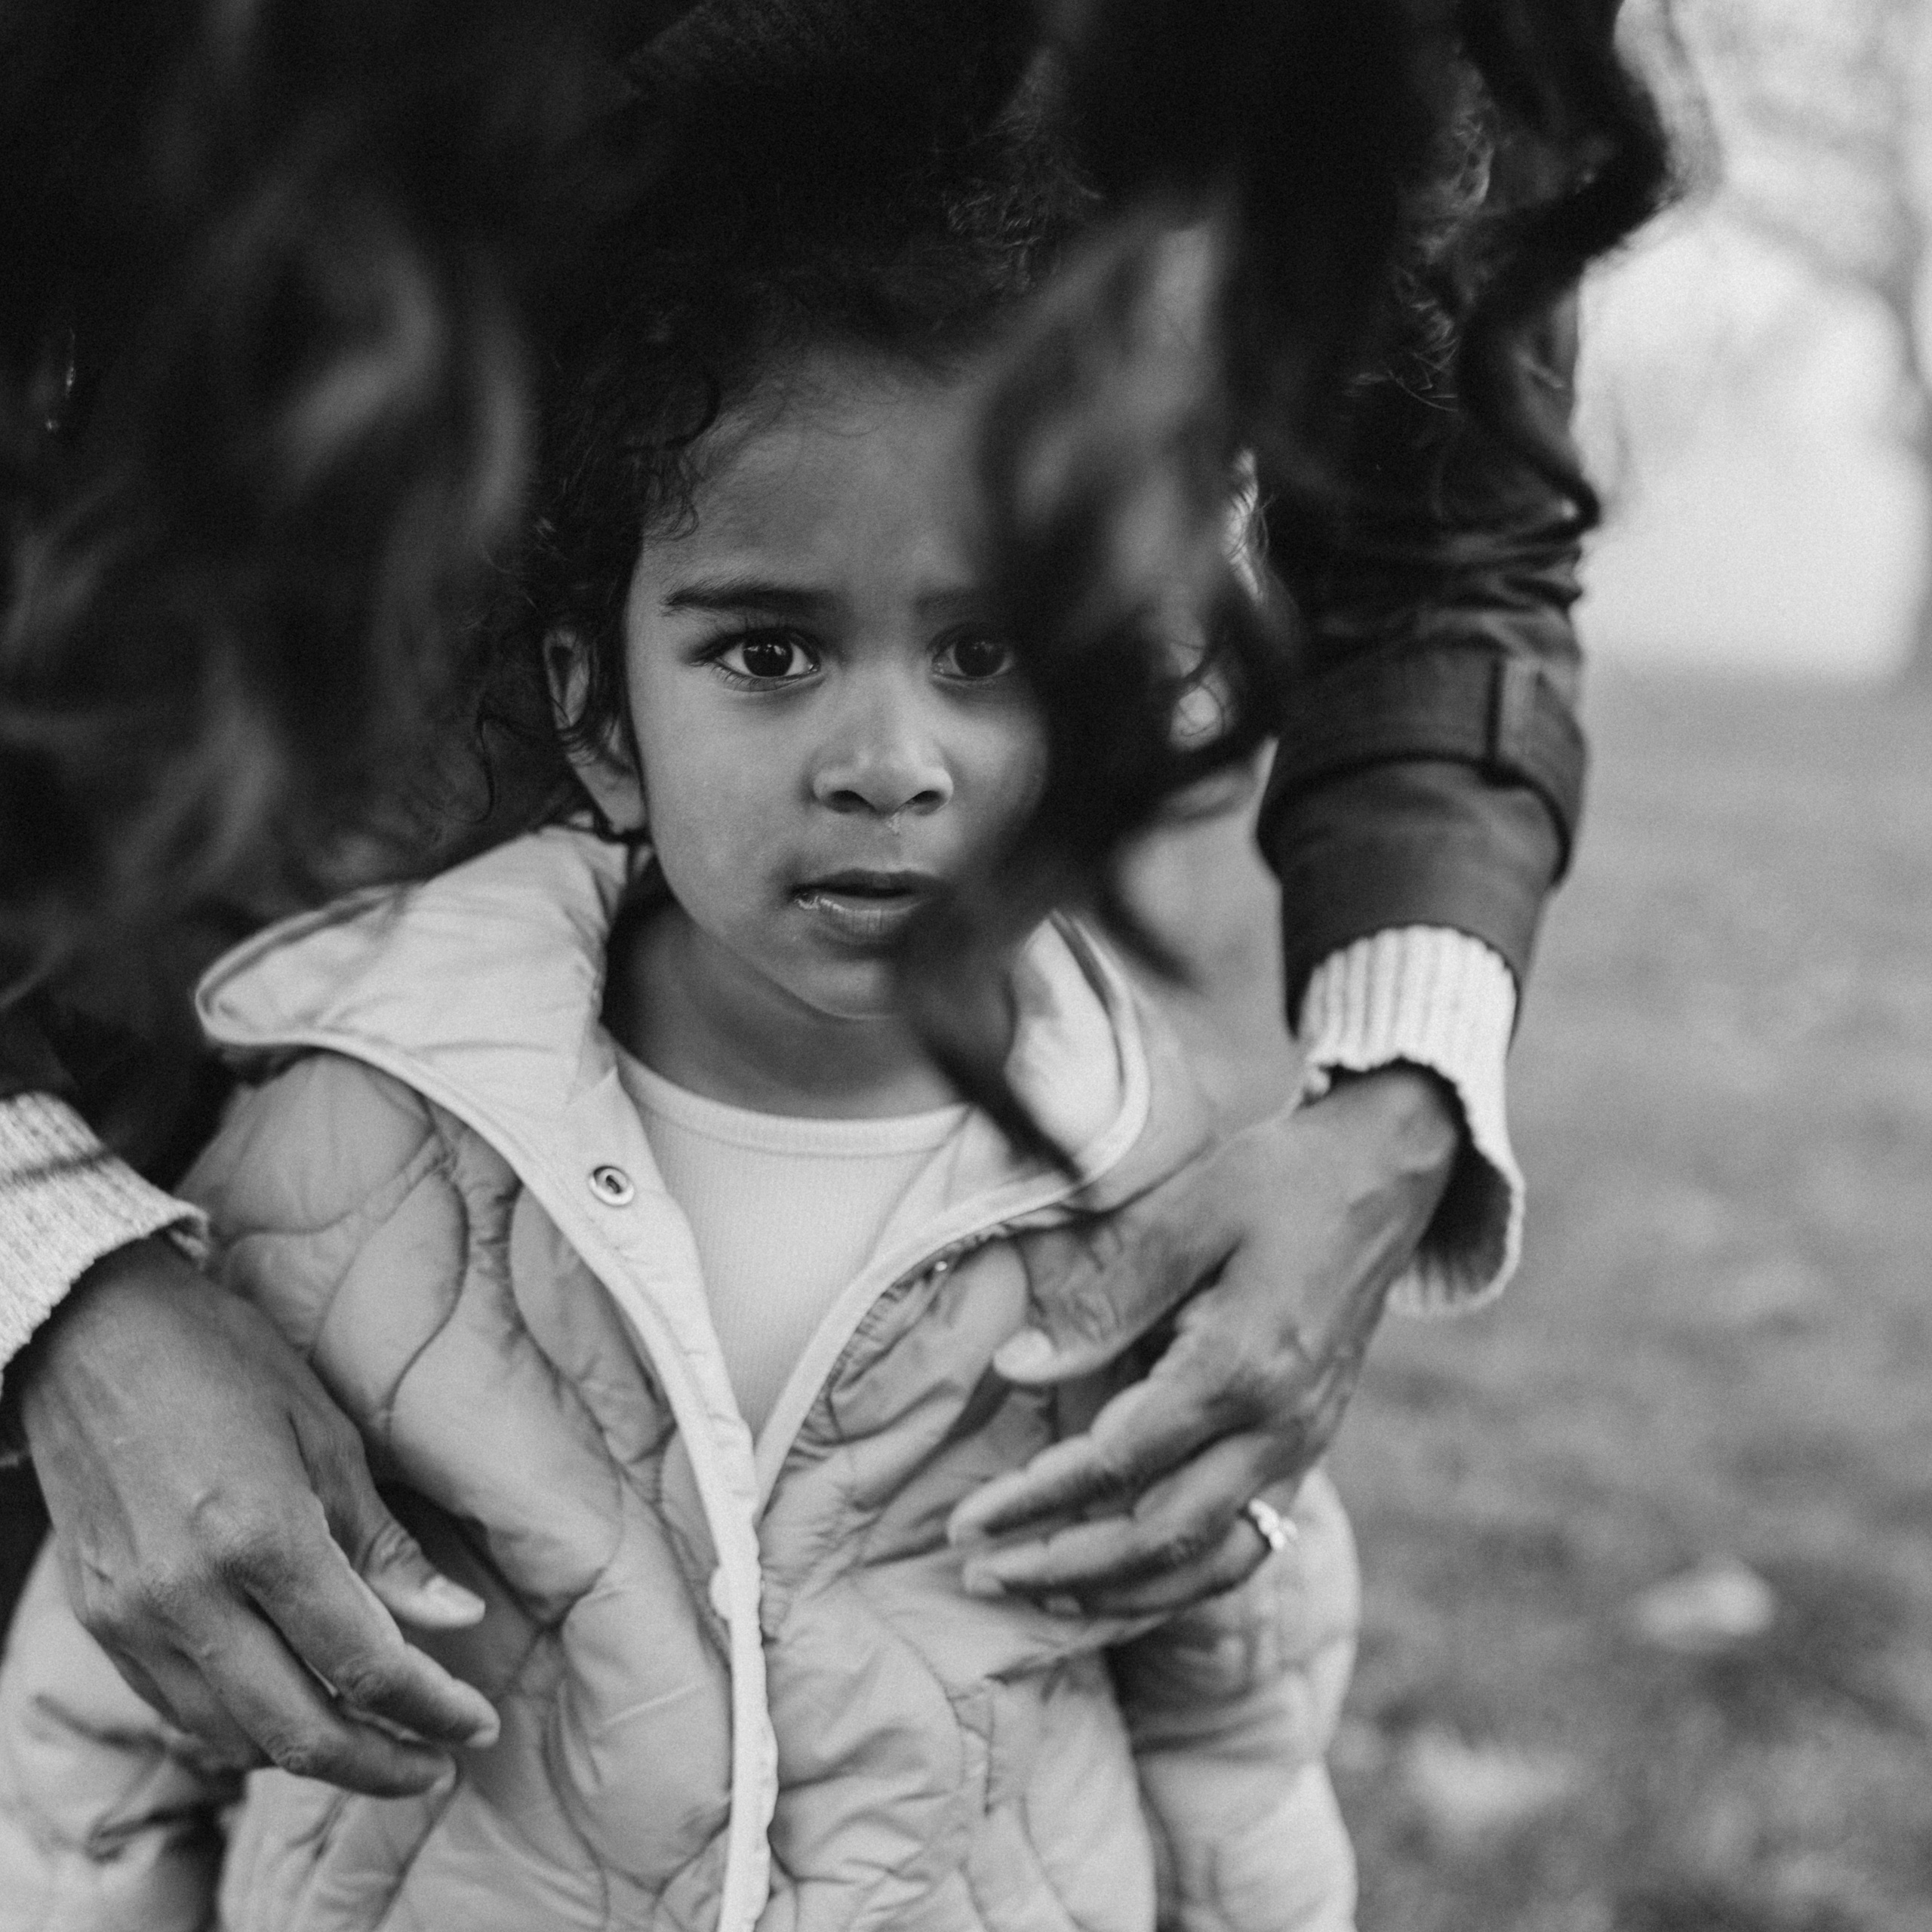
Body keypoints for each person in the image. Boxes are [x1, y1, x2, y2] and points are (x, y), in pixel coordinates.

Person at [0, 0, 1675, 1796]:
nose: (889, 758)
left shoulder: (1114, 1191)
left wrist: (1392, 1103)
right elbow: (93, 1791)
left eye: (990, 644)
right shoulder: (310, 1186)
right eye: (776, 644)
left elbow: (1453, 509)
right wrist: (46, 1257)